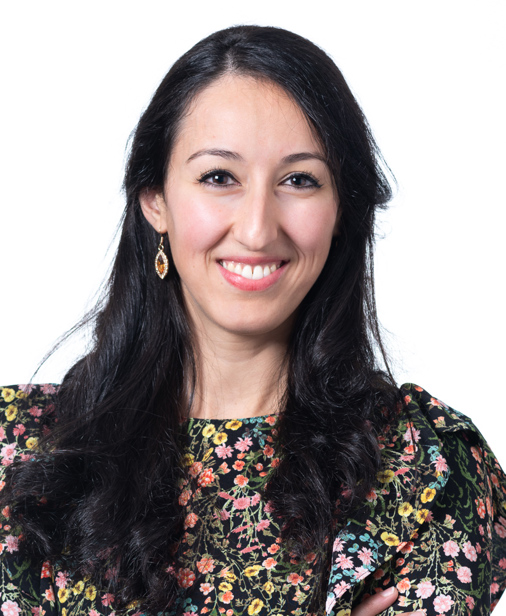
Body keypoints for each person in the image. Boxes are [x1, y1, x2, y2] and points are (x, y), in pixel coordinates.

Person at [0, 25, 505, 616]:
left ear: (342, 211)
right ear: (155, 199)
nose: (258, 229)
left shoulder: (427, 468)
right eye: (219, 177)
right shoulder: (15, 453)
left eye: (299, 180)